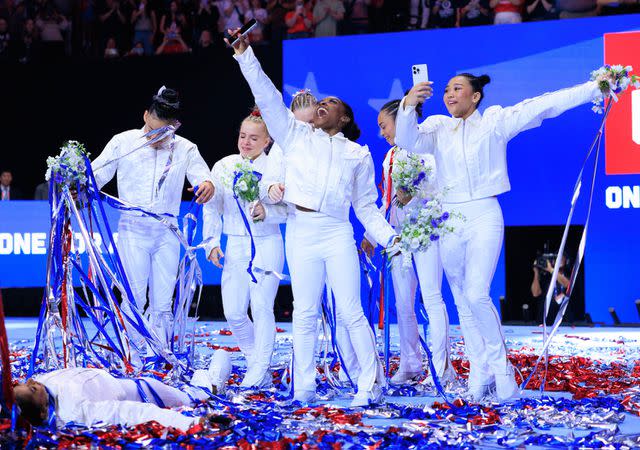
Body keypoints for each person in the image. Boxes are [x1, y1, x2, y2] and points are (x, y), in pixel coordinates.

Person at [396, 71, 604, 402]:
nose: (449, 94)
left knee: (477, 293)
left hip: (483, 214)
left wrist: (596, 87)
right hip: (448, 218)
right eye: (447, 89)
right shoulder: (436, 127)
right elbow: (407, 141)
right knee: (463, 301)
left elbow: (544, 106)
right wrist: (409, 104)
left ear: (475, 96)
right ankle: (480, 373)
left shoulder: (495, 122)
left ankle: (502, 369)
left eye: (457, 88)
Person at [228, 33, 399, 406]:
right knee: (304, 311)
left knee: (351, 309)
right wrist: (245, 55)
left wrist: (391, 239)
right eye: (319, 102)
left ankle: (368, 386)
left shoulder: (357, 154)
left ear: (345, 117)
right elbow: (268, 96)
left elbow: (367, 207)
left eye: (331, 103)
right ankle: (303, 388)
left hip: (337, 231)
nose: (321, 104)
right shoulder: (294, 135)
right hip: (301, 232)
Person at [91, 87, 214, 356]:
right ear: (145, 115)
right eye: (151, 129)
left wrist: (207, 185)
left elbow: (204, 178)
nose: (155, 137)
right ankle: (131, 355)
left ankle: (161, 354)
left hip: (167, 231)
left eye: (163, 133)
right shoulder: (122, 143)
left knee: (162, 302)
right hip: (133, 228)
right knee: (133, 296)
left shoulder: (186, 148)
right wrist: (77, 182)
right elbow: (96, 174)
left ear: (174, 127)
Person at [360, 99, 456, 386]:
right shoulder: (389, 157)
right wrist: (371, 236)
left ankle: (441, 369)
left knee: (431, 297)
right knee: (402, 304)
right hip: (398, 239)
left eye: (384, 126)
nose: (382, 133)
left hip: (427, 234)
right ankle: (410, 363)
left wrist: (417, 196)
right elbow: (386, 201)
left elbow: (442, 188)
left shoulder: (428, 149)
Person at [203, 108, 287, 388]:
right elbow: (212, 207)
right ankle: (257, 364)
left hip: (267, 242)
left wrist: (269, 213)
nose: (246, 142)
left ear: (267, 141)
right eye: (242, 136)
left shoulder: (276, 168)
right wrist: (212, 242)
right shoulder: (224, 166)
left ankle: (258, 370)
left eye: (254, 138)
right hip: (235, 244)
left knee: (261, 307)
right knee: (234, 311)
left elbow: (291, 209)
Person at [13, 350, 232, 430]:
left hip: (130, 382)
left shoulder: (37, 388)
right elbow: (135, 412)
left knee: (187, 389)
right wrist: (191, 423)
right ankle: (213, 381)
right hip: (142, 392)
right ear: (42, 412)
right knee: (196, 394)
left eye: (23, 384)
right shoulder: (75, 412)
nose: (33, 382)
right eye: (32, 390)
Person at [531, 252, 570, 326]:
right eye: (557, 258)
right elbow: (535, 293)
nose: (559, 260)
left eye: (562, 258)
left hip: (565, 321)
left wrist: (551, 269)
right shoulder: (546, 277)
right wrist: (536, 272)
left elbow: (567, 285)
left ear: (566, 261)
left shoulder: (569, 275)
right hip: (546, 321)